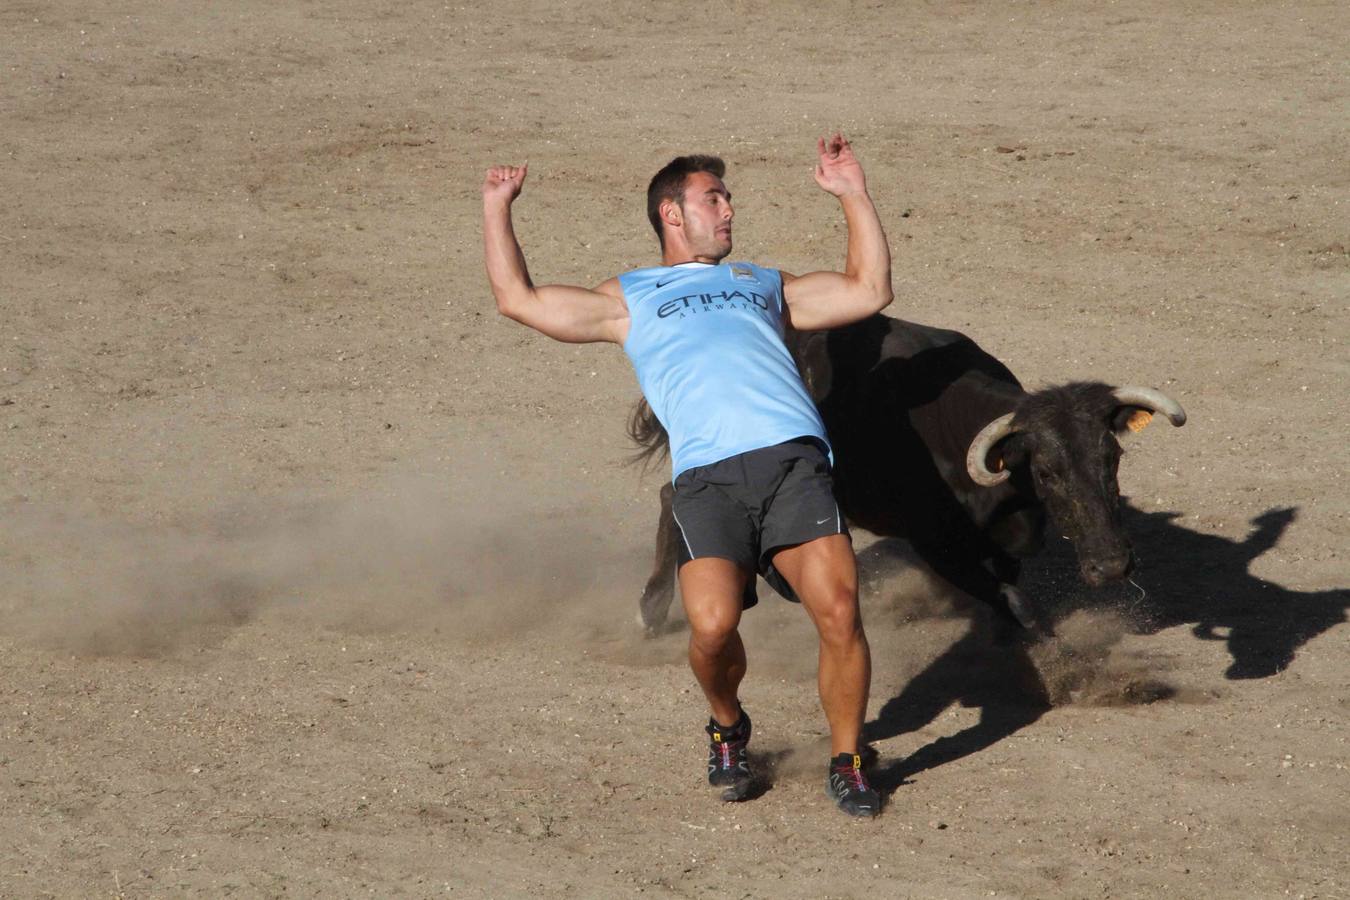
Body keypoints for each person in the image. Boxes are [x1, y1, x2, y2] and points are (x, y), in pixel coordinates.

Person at [481, 135, 893, 817]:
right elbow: (518, 300)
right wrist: (497, 208)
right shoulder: (632, 296)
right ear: (672, 214)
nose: (729, 209)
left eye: (727, 198)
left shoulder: (760, 283)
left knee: (841, 613)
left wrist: (853, 192)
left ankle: (847, 762)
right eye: (715, 198)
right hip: (707, 482)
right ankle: (728, 726)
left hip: (791, 462)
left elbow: (869, 288)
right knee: (710, 626)